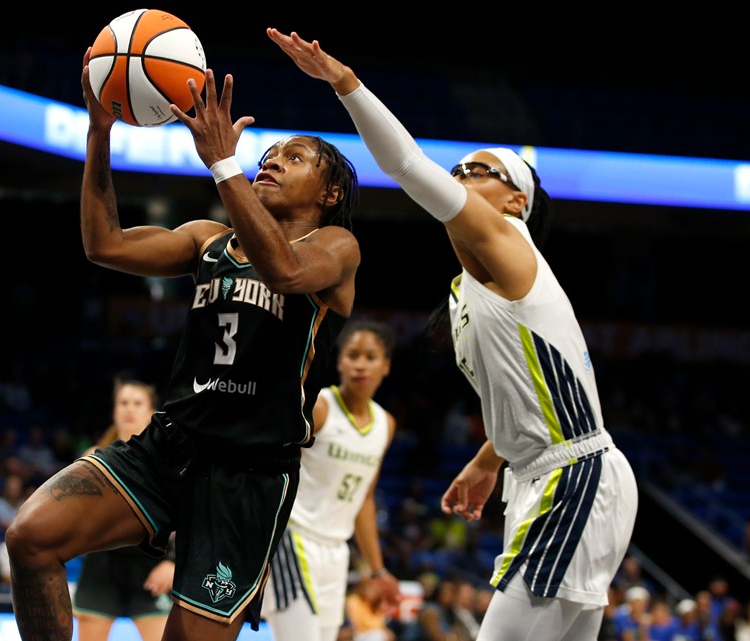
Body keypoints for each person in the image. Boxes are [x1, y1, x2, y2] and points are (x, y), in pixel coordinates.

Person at [268, 28, 639, 641]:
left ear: (515, 200)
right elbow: (532, 390)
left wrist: (343, 82)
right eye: (460, 167)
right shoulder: (469, 289)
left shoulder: (511, 243)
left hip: (573, 477)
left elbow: (405, 163)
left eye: (480, 170)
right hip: (548, 474)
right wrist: (488, 458)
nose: (462, 174)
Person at [4, 45, 362, 641]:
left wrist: (224, 163)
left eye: (292, 158)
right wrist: (100, 134)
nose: (270, 163)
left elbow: (284, 273)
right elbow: (105, 246)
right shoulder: (207, 239)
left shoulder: (336, 249)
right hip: (169, 445)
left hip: (248, 474)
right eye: (266, 156)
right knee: (31, 537)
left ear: (328, 195)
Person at [261, 320, 400, 641]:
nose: (360, 364)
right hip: (294, 540)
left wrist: (377, 569)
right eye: (353, 355)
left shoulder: (385, 424)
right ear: (339, 361)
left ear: (386, 366)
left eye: (370, 356)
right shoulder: (320, 407)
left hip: (336, 551)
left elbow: (364, 498)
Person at [73, 379, 175, 641]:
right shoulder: (92, 458)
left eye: (137, 403)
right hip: (101, 567)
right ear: (115, 412)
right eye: (123, 403)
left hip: (152, 566)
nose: (129, 409)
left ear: (152, 412)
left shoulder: (169, 459)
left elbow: (190, 519)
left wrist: (173, 563)